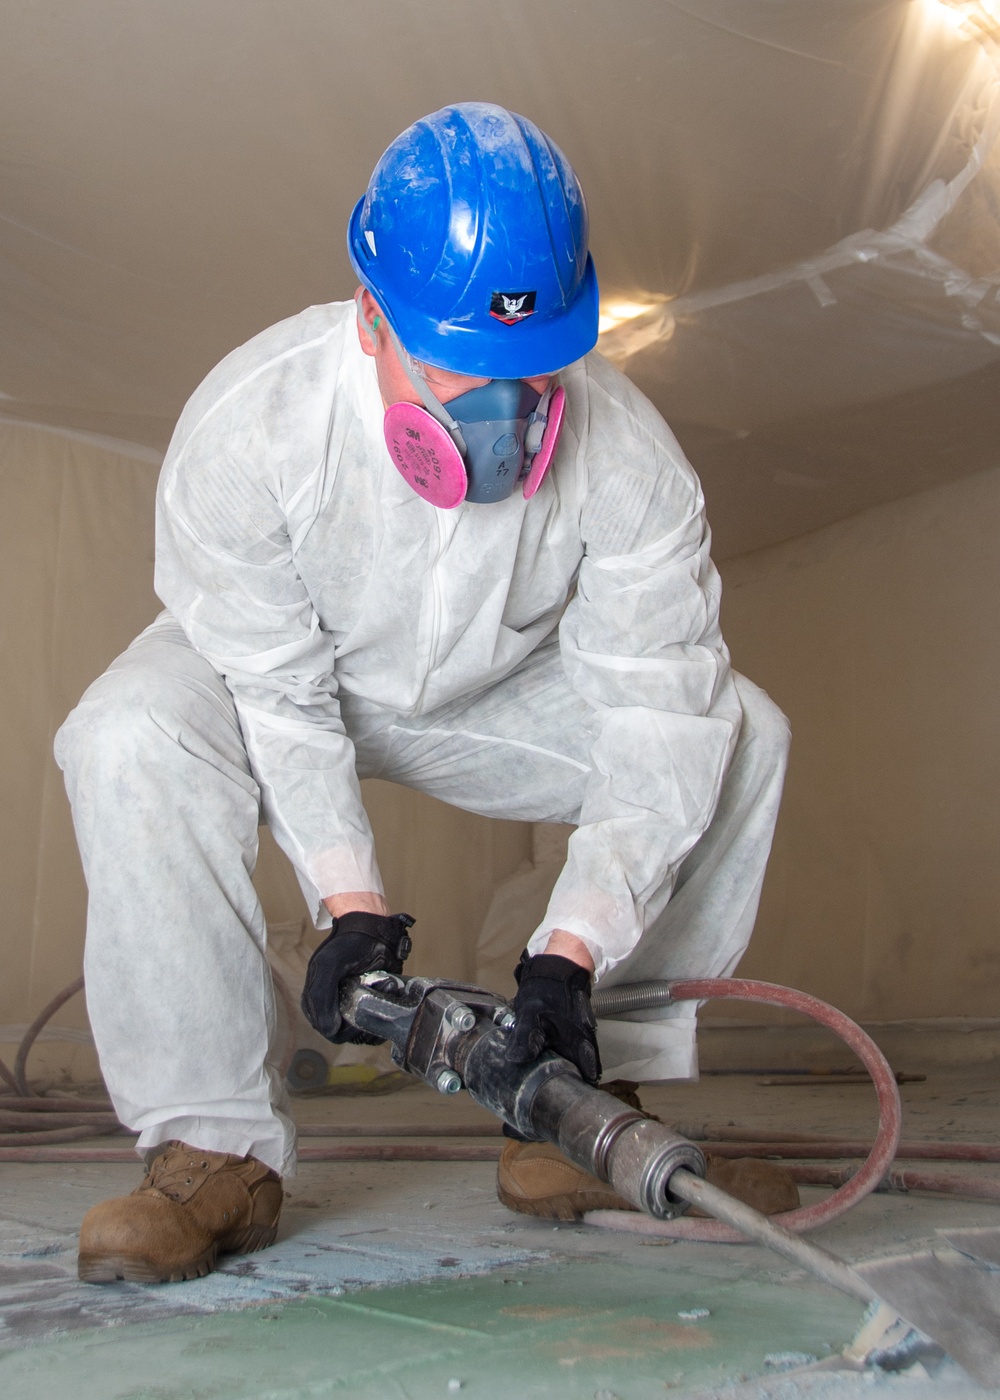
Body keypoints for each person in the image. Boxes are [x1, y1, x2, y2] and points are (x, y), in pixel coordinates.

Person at [55, 103, 791, 1285]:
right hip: (290, 675)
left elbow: (657, 709)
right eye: (457, 364)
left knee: (740, 729)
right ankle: (212, 1151)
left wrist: (569, 953)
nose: (500, 411)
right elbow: (281, 696)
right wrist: (352, 906)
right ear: (369, 319)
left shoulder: (632, 460)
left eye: (530, 369)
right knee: (128, 729)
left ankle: (581, 1104)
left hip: (495, 690)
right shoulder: (250, 427)